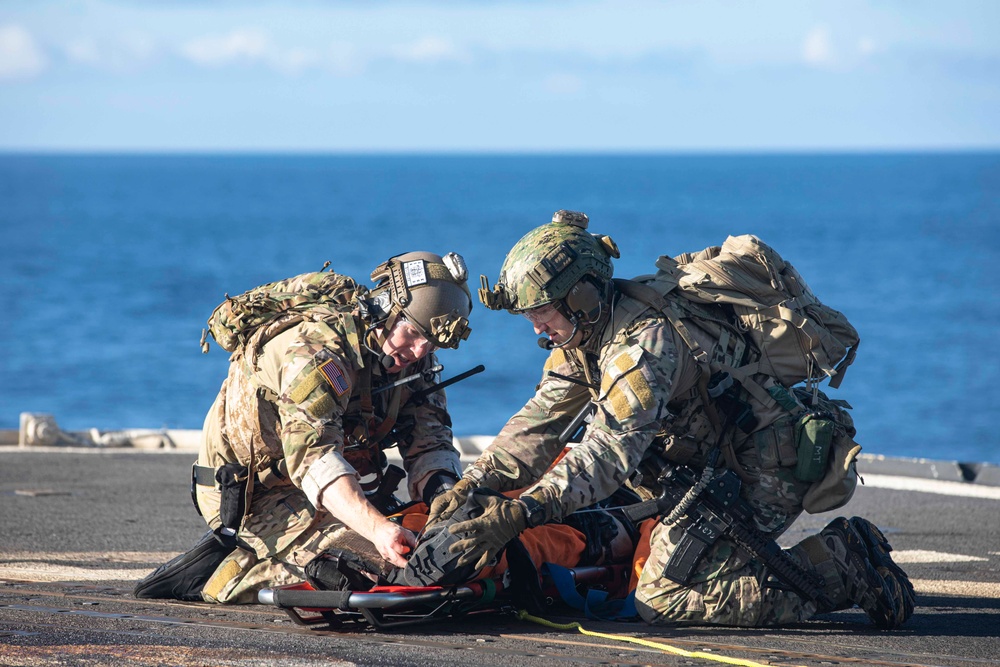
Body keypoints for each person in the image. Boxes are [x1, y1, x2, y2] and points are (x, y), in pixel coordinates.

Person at [427, 210, 916, 628]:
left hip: (760, 468)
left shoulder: (641, 348)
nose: (536, 327)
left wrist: (519, 513)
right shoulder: (583, 339)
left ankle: (839, 567)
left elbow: (607, 456)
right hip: (699, 467)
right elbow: (536, 427)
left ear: (581, 297)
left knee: (661, 597)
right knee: (591, 521)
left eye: (543, 312)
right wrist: (473, 486)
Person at [135, 251, 474, 604]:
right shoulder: (316, 351)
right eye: (413, 333)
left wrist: (446, 503)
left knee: (446, 554)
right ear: (387, 308)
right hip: (254, 496)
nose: (420, 350)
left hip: (330, 491)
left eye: (432, 343)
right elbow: (314, 458)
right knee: (378, 572)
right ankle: (229, 573)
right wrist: (377, 528)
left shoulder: (409, 358)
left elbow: (430, 441)